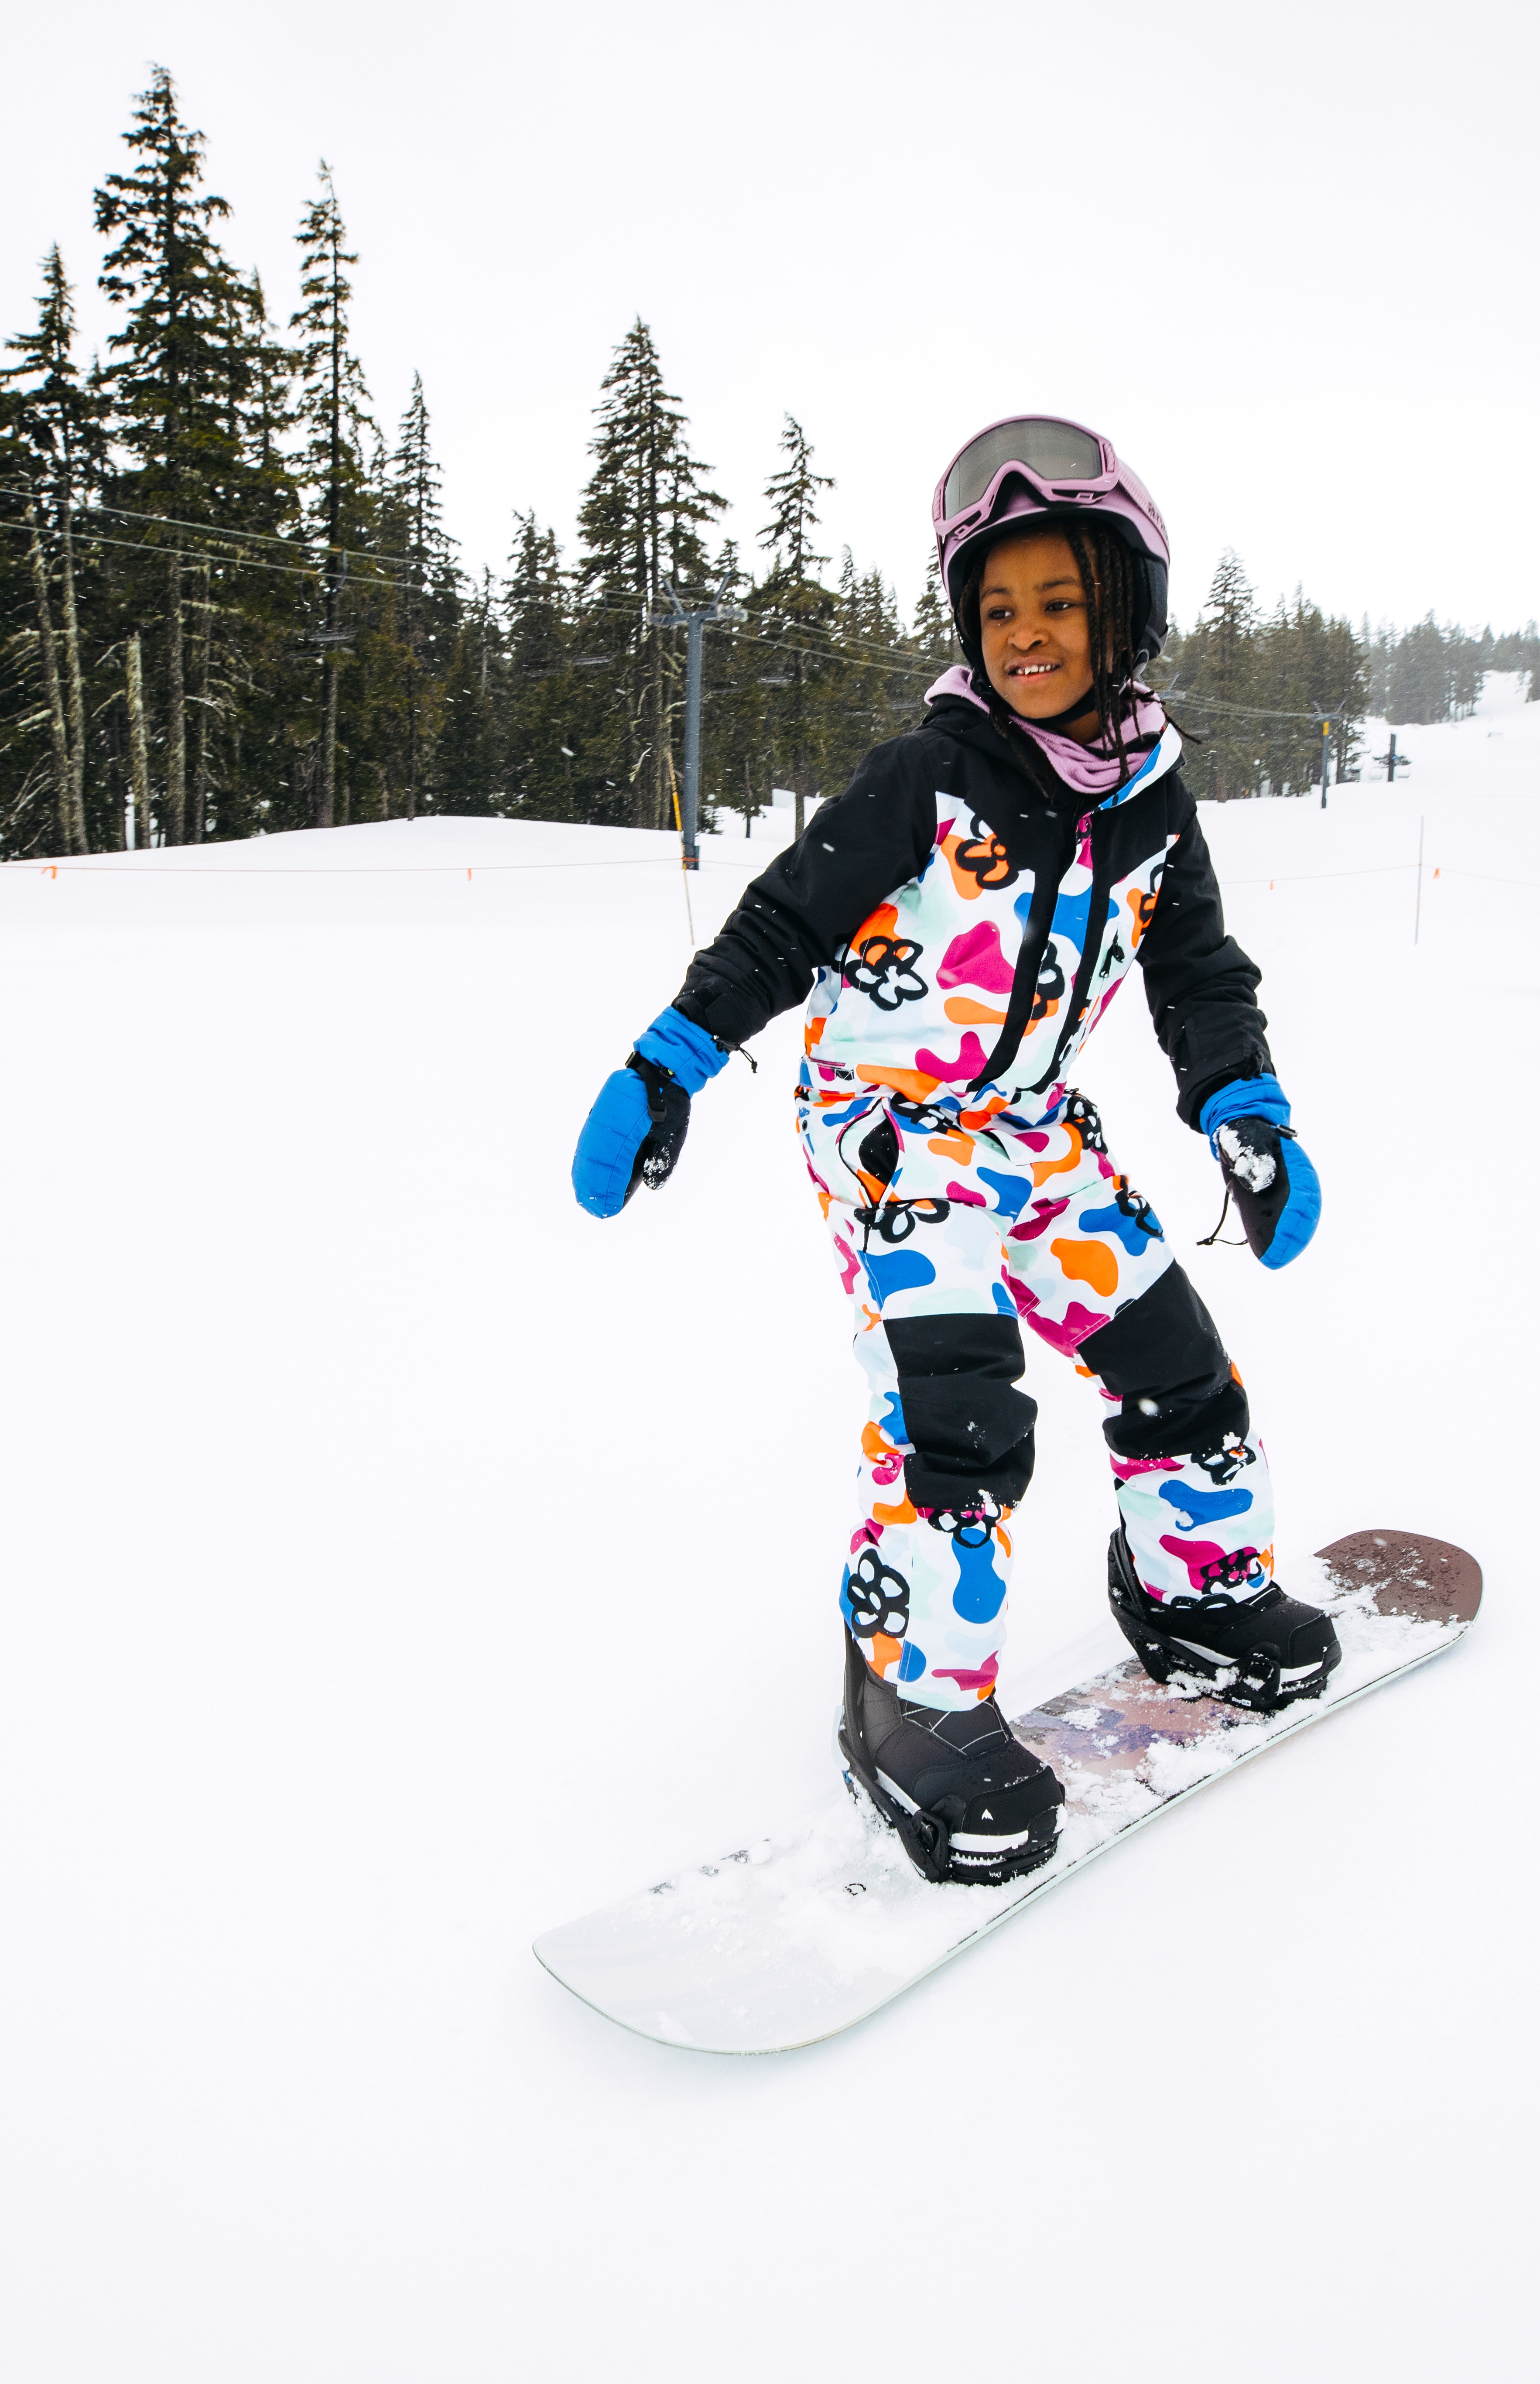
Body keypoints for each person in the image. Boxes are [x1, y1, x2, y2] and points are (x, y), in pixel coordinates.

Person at [569, 417, 1335, 1889]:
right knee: (959, 1421)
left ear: (1128, 613)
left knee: (1179, 1372)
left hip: (1037, 1135)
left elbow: (1199, 976)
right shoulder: (928, 774)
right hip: (895, 1141)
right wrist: (672, 1058)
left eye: (1060, 602)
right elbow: (783, 922)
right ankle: (909, 1690)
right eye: (998, 608)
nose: (1026, 632)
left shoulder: (1153, 804)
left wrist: (1245, 1108)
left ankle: (1196, 1589)